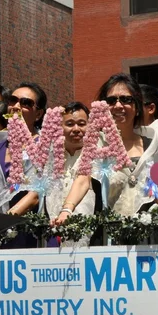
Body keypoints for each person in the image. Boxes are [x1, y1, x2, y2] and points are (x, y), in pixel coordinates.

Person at [53, 74, 158, 227]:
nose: (118, 106)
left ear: (138, 107)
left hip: (149, 234)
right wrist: (67, 209)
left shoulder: (154, 142)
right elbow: (83, 179)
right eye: (111, 101)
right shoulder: (97, 142)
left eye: (126, 99)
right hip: (108, 234)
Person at [0, 82, 47, 216]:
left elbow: (36, 194)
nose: (16, 107)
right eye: (12, 101)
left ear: (38, 114)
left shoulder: (45, 145)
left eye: (26, 103)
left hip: (31, 223)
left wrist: (8, 219)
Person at [46, 102, 96, 246]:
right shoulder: (50, 155)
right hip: (52, 229)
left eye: (81, 124)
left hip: (88, 234)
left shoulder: (96, 151)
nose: (76, 129)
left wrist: (67, 209)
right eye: (69, 124)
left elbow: (83, 180)